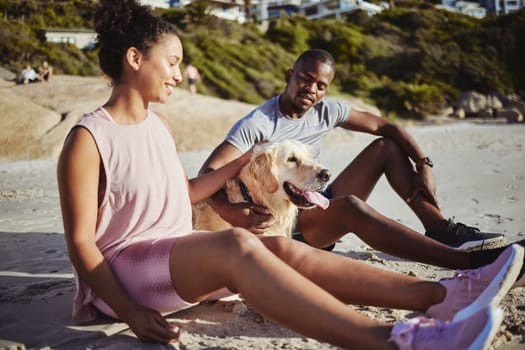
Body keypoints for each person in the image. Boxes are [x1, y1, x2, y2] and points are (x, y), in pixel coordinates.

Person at [57, 1, 523, 348]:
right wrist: (130, 312)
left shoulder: (156, 127)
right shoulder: (88, 137)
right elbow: (81, 244)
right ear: (136, 59)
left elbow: (185, 191)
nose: (180, 74)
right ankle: (394, 340)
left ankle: (444, 293)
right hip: (127, 272)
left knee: (278, 245)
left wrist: (244, 162)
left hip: (177, 256)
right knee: (240, 243)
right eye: (173, 62)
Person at [199, 49, 523, 274]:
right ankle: (467, 263)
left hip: (312, 198)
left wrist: (424, 164)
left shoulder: (327, 110)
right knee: (352, 207)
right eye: (304, 79)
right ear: (290, 75)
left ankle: (439, 228)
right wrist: (233, 213)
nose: (311, 89)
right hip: (287, 224)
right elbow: (207, 173)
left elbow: (386, 126)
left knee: (386, 147)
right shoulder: (258, 124)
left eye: (320, 85)